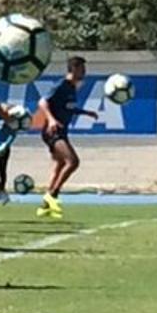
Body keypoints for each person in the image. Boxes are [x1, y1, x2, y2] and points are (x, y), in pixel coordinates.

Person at [36, 55, 95, 218]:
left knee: (61, 164)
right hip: (52, 132)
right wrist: (51, 120)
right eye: (82, 69)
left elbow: (67, 108)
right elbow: (42, 102)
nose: (84, 72)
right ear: (74, 69)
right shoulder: (61, 85)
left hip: (61, 132)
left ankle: (46, 206)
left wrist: (85, 112)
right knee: (73, 161)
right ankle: (53, 195)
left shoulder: (72, 88)